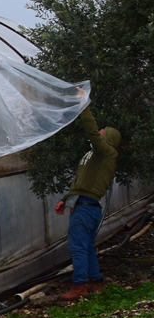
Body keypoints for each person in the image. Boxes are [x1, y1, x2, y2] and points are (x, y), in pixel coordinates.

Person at [55, 104, 122, 301]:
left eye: (102, 133)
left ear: (107, 139)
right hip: (85, 204)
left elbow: (91, 131)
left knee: (77, 246)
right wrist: (65, 199)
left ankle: (79, 285)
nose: (97, 134)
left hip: (85, 208)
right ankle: (96, 282)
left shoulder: (106, 153)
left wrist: (84, 106)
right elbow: (82, 183)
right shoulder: (95, 156)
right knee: (86, 246)